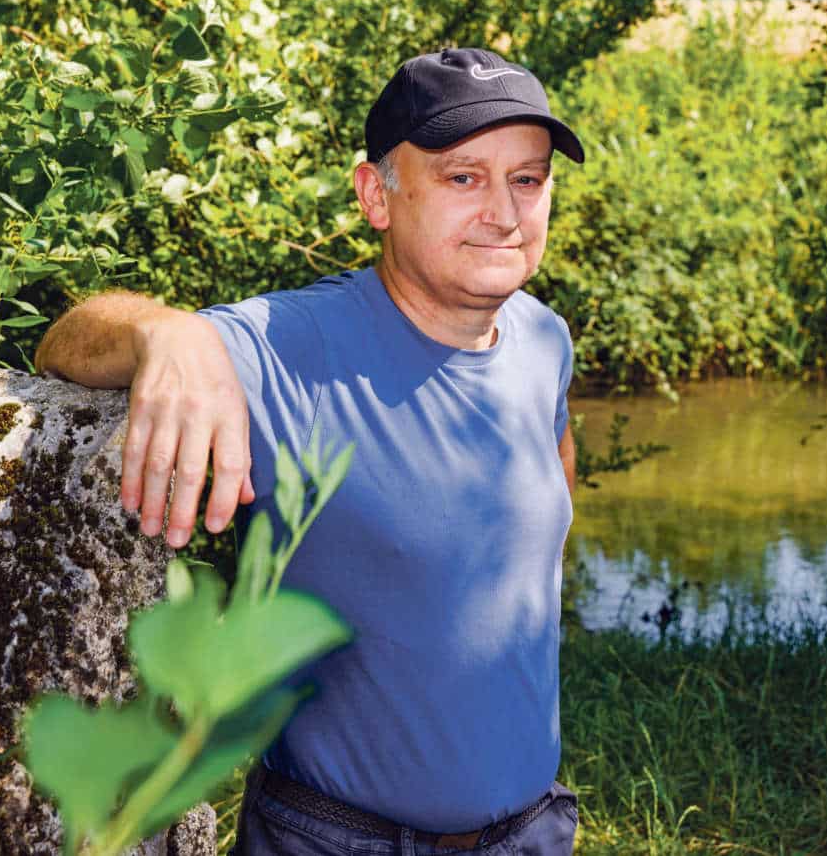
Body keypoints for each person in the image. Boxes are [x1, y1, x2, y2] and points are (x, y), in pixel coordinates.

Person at [34, 47, 584, 855]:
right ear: (376, 195)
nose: (504, 211)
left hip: (533, 832)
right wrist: (164, 331)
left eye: (527, 178)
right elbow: (66, 339)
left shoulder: (544, 340)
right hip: (340, 838)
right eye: (464, 177)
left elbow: (546, 518)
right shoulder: (295, 346)